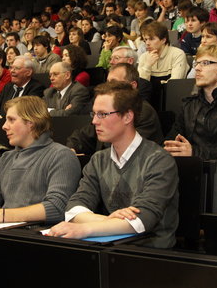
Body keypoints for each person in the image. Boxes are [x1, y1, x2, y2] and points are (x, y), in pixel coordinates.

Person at [48, 81, 178, 249]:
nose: (94, 121)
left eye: (102, 114)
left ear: (127, 117)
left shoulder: (159, 160)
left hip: (152, 255)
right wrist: (108, 221)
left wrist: (84, 228)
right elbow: (74, 208)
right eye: (93, 114)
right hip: (111, 248)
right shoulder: (98, 160)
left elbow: (142, 220)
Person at [0, 96, 81, 225]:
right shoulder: (6, 158)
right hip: (4, 233)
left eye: (11, 120)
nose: (4, 126)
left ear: (31, 123)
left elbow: (56, 207)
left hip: (40, 238)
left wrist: (1, 215)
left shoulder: (61, 156)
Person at [67, 63, 163, 155]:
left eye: (114, 82)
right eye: (107, 82)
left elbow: (125, 150)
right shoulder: (104, 111)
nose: (108, 87)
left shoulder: (144, 112)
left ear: (133, 86)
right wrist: (71, 150)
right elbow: (81, 136)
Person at [0, 56, 45, 122]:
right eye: (11, 68)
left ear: (28, 72)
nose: (12, 71)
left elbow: (24, 111)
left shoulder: (37, 88)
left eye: (16, 68)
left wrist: (0, 117)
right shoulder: (9, 86)